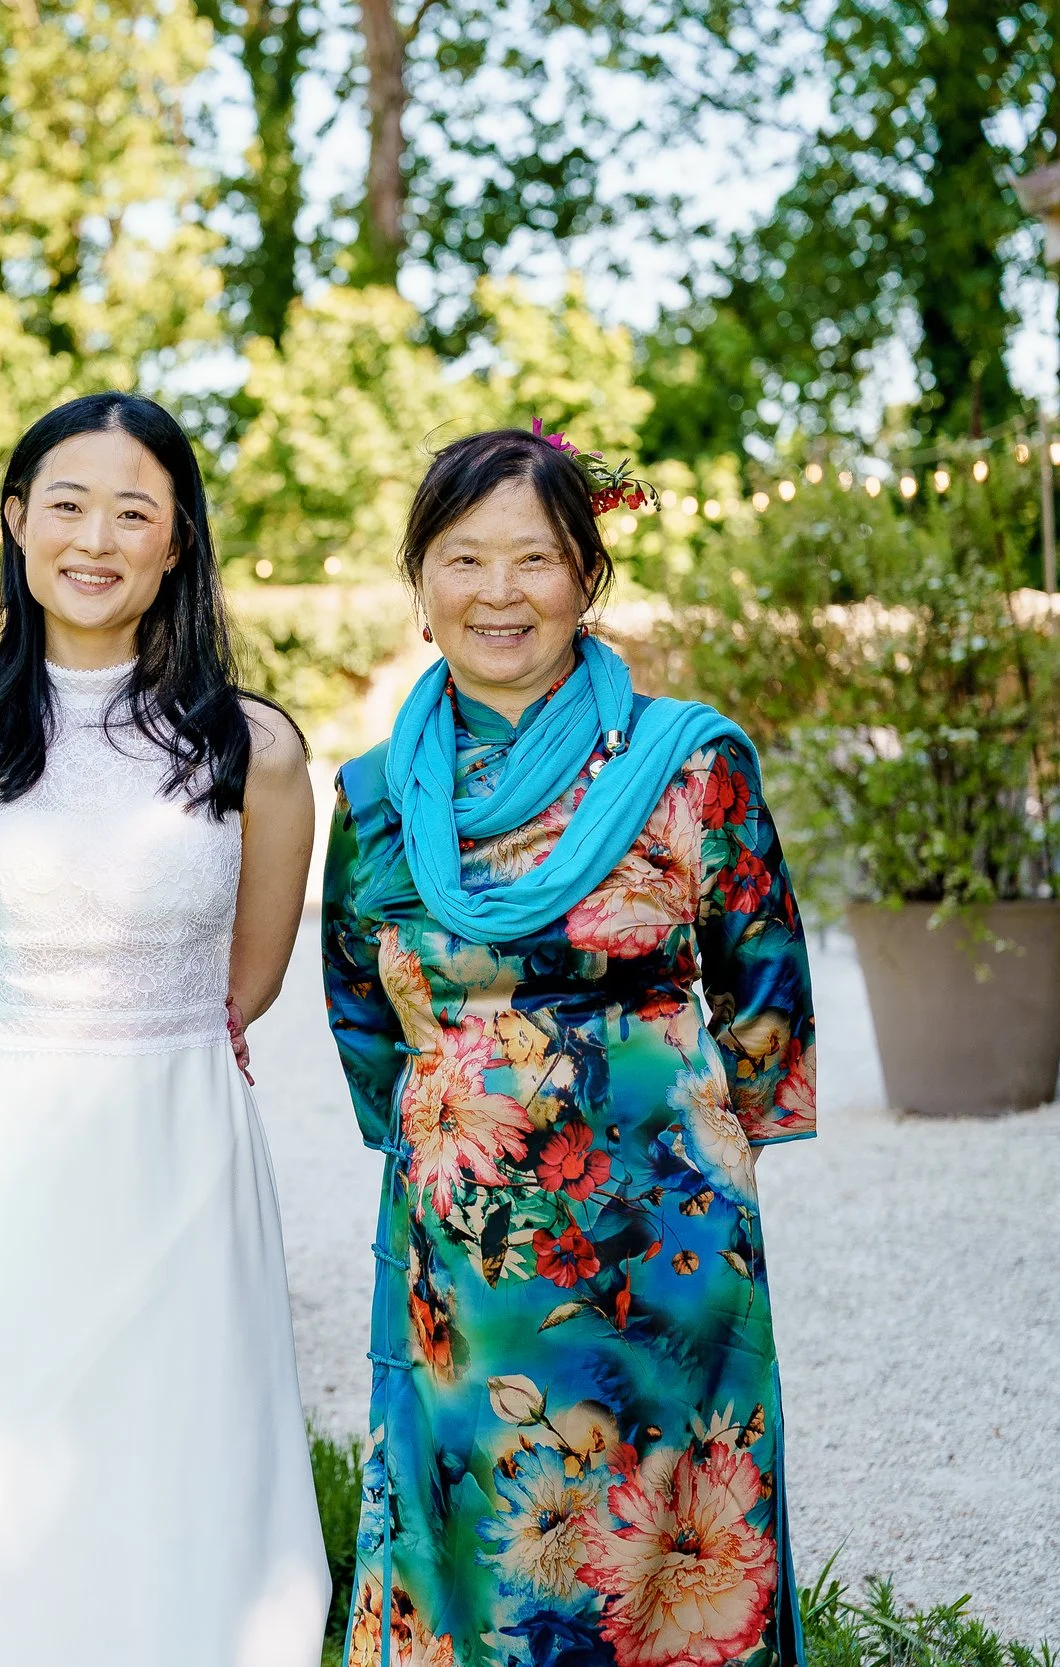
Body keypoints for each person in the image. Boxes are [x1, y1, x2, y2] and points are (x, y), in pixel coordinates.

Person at [321, 426, 816, 1667]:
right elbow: (355, 995)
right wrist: (448, 1116)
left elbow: (762, 974)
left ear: (585, 576)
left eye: (534, 559)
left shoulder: (689, 760)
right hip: (468, 1244)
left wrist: (723, 1138)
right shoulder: (376, 793)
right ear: (420, 584)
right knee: (490, 1522)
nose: (500, 592)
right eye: (464, 558)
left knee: (677, 1514)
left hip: (666, 1221)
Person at [0, 392, 331, 1666]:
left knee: (191, 1448)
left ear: (178, 541)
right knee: (14, 1467)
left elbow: (248, 980)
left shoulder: (259, 750)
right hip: (8, 1147)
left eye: (134, 510)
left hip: (180, 1129)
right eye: (65, 504)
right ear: (14, 523)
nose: (95, 536)